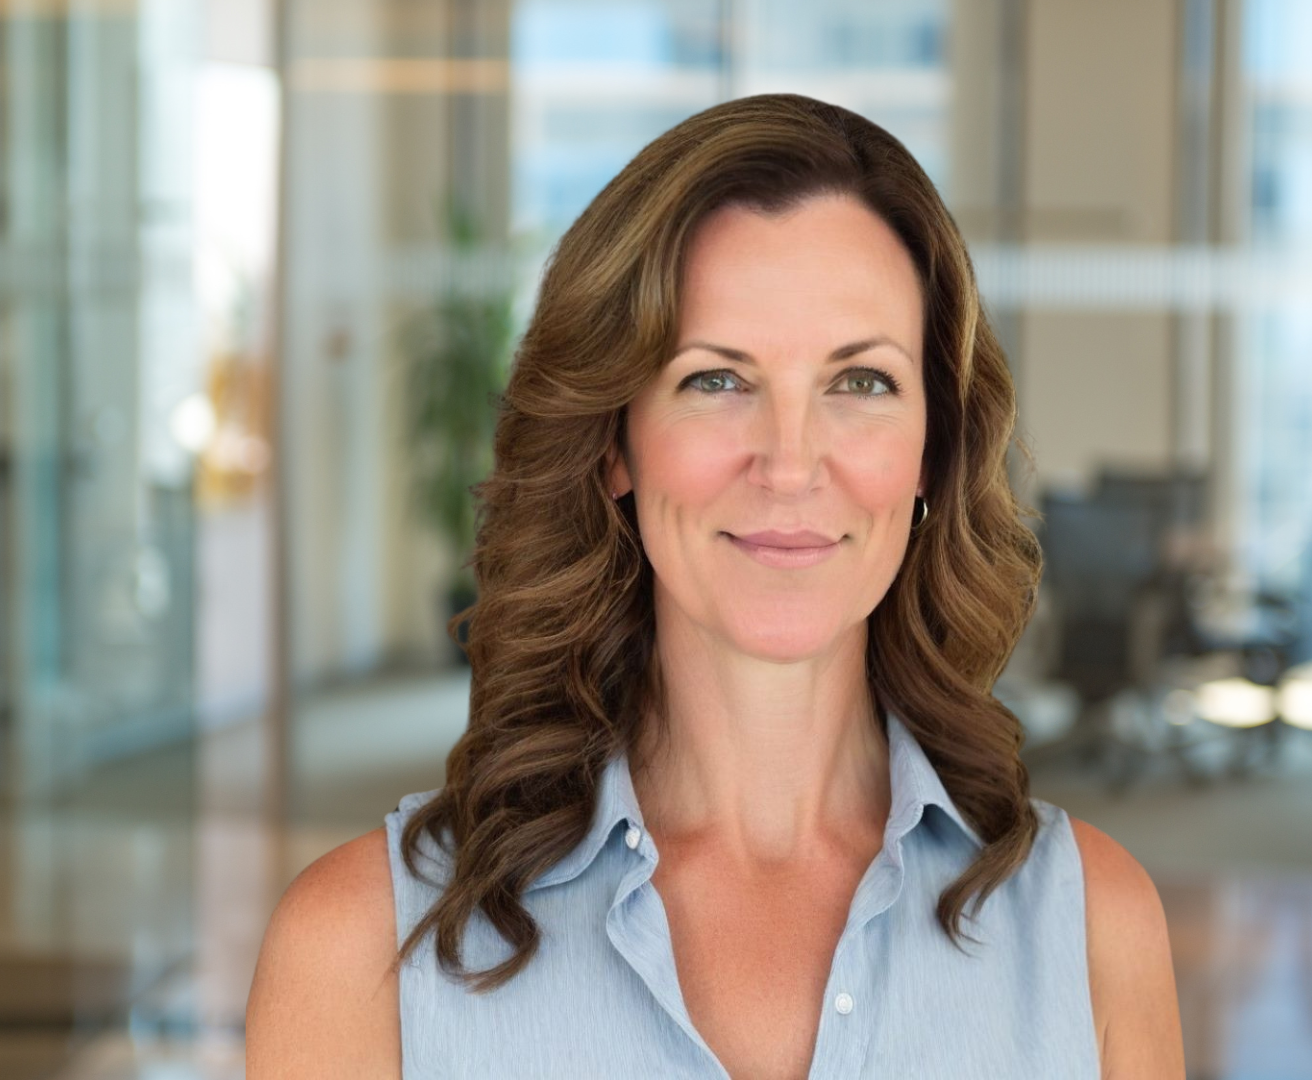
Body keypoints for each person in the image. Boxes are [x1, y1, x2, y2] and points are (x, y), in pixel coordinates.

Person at [246, 93, 1183, 1078]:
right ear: (616, 442)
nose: (789, 464)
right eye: (715, 380)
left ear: (932, 449)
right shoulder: (359, 954)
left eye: (859, 382)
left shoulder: (1092, 935)